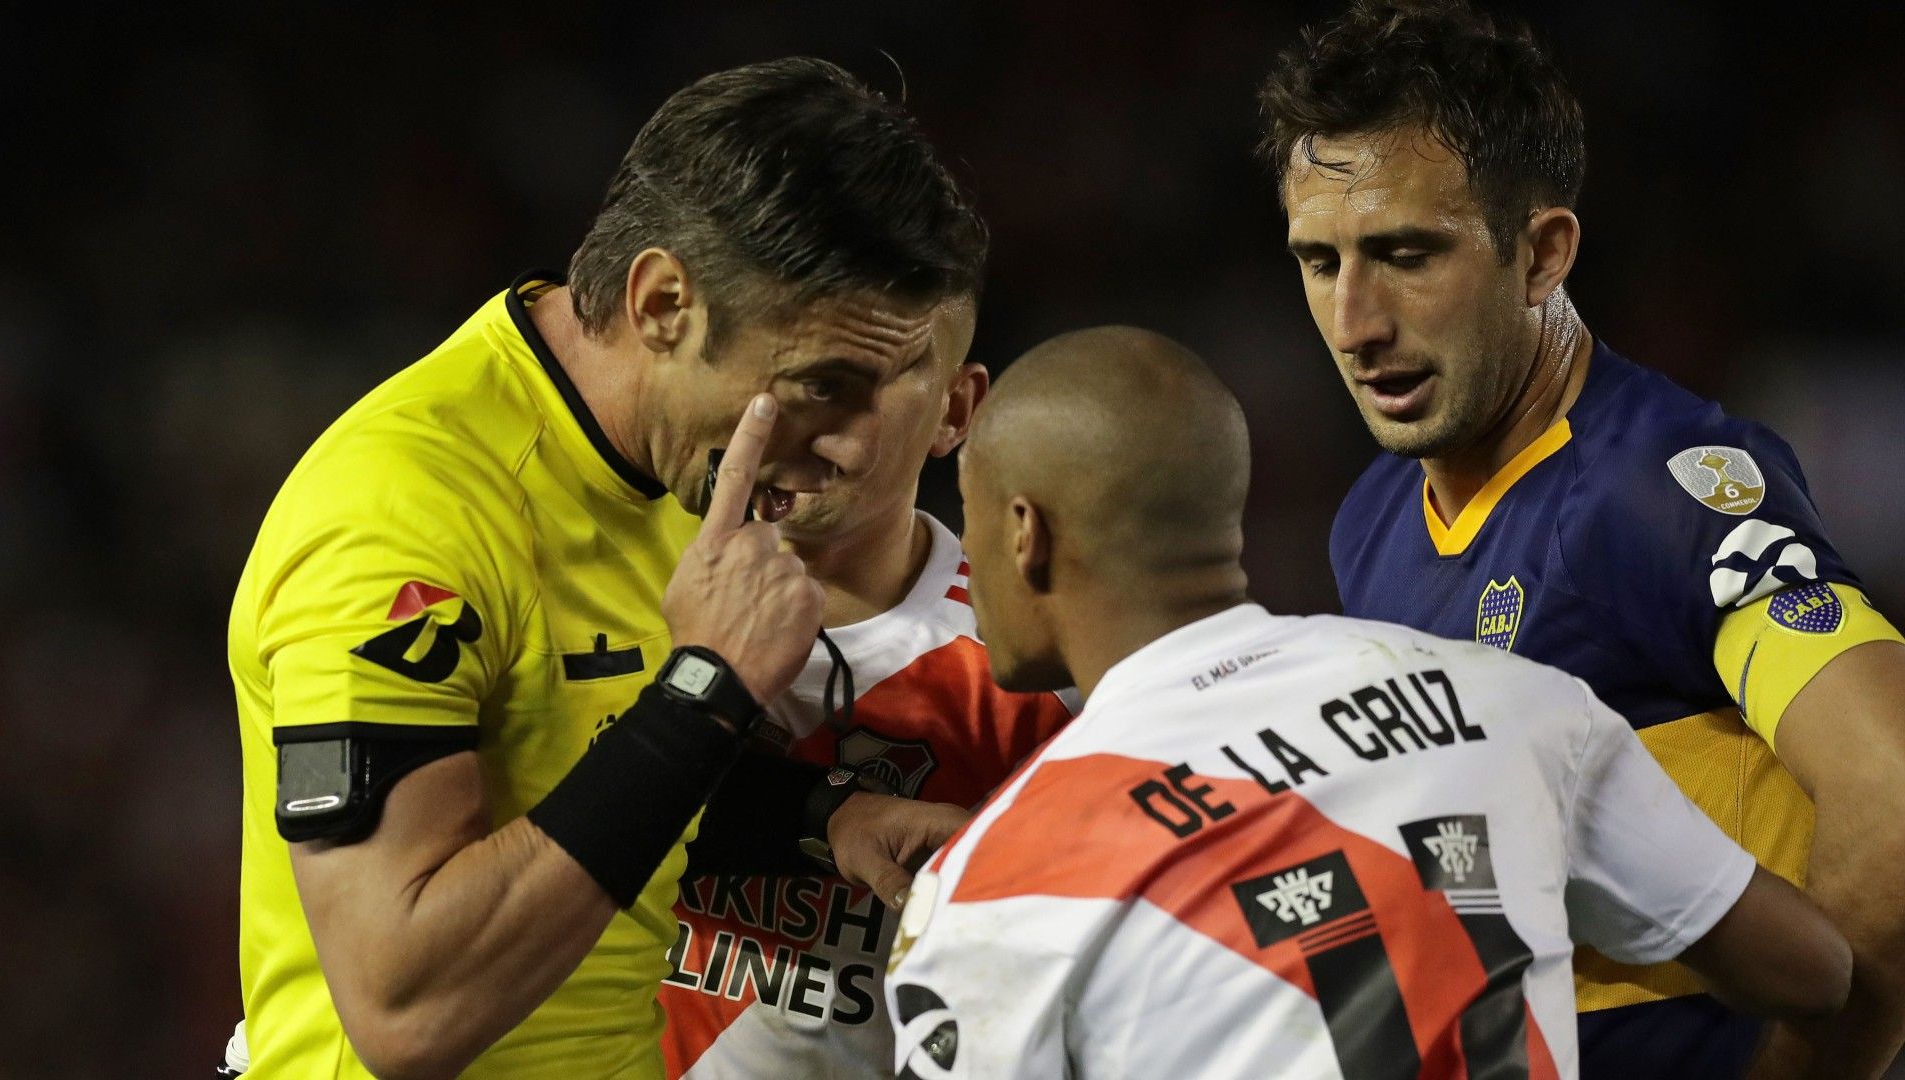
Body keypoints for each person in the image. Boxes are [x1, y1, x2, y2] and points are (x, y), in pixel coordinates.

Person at [230, 59, 987, 1079]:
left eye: (884, 389)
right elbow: (407, 1009)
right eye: (820, 385)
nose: (850, 446)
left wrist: (818, 818)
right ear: (664, 300)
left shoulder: (672, 462)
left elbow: (574, 769)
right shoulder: (401, 520)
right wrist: (706, 692)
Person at [883, 326, 1851, 1079]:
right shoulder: (1512, 701)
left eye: (966, 515)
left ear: (1024, 531)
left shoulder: (995, 893)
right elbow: (1817, 971)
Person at [1254, 2, 1905, 1076]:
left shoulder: (1657, 495)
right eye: (1320, 262)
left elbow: (1891, 802)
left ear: (1543, 252)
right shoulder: (1371, 517)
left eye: (1407, 254)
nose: (1355, 322)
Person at [654, 278, 1073, 1074]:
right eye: (783, 380)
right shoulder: (612, 597)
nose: (805, 428)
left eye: (855, 387)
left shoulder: (1044, 668)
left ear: (955, 410)